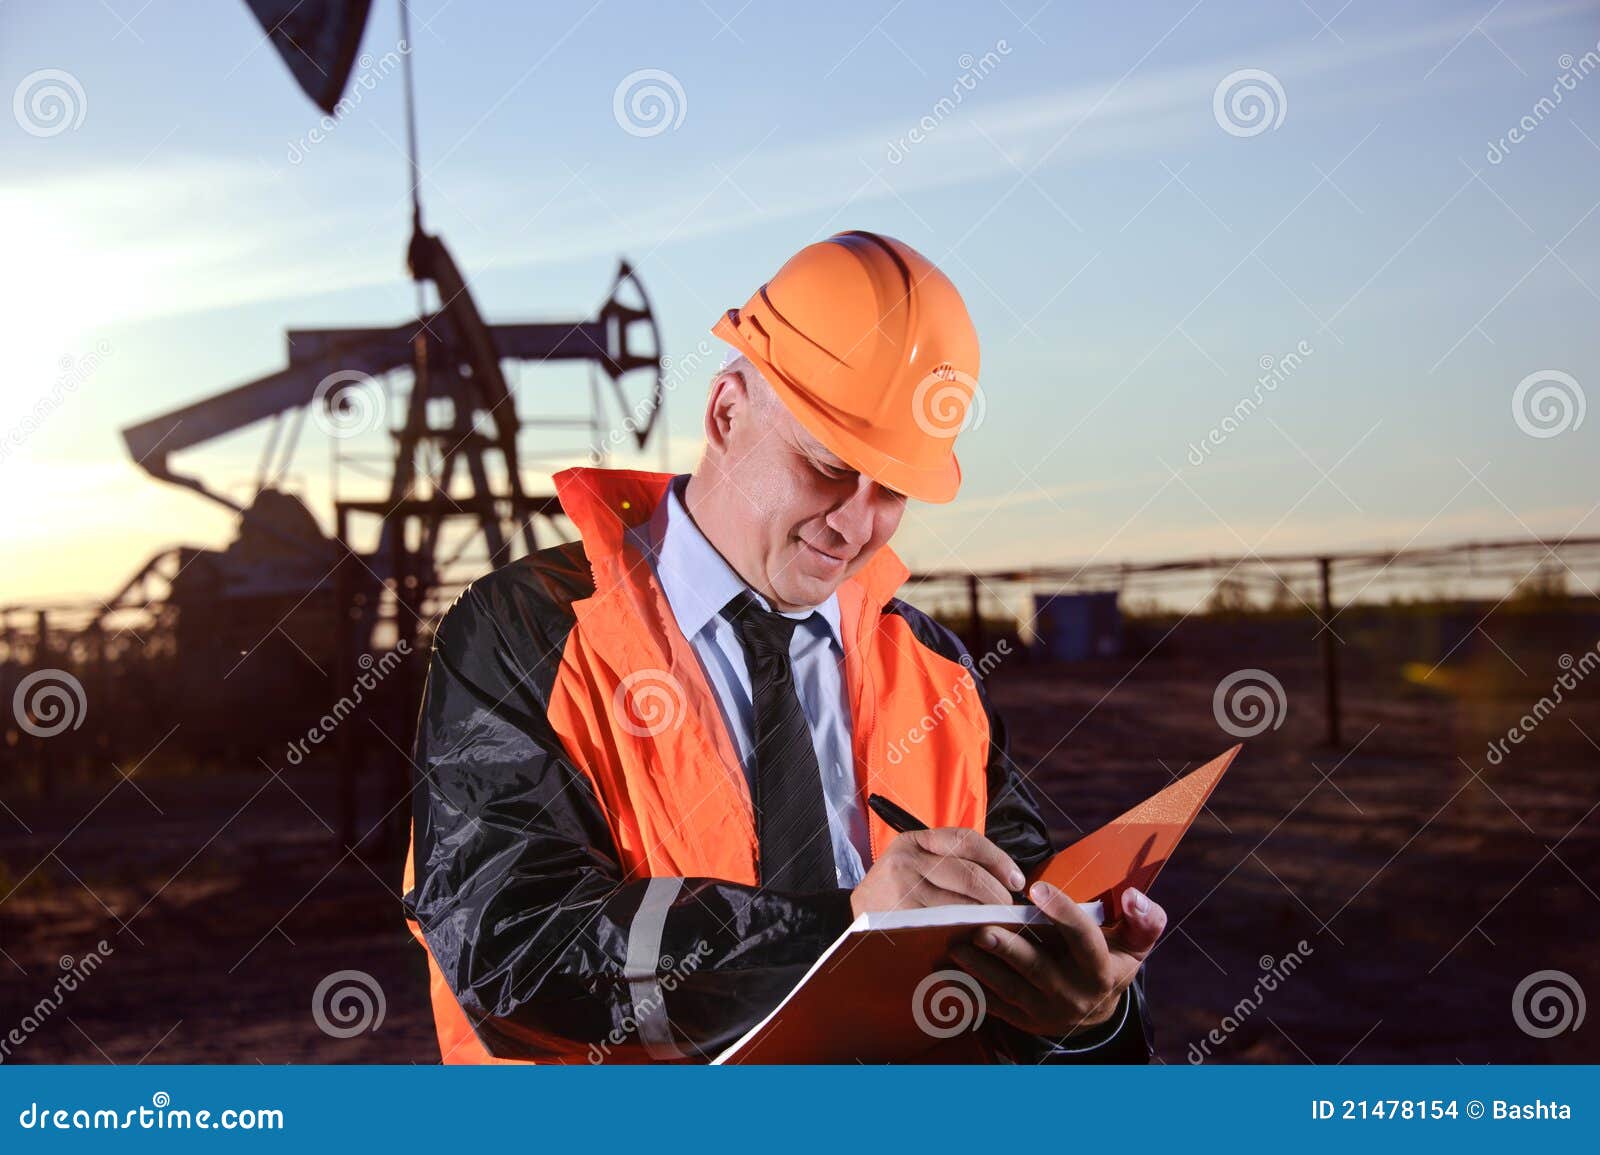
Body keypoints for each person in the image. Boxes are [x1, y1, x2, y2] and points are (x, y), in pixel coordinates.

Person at [401, 229, 1162, 1064]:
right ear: (727, 411)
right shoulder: (529, 632)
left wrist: (1092, 1017)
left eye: (894, 491)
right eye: (827, 465)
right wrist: (841, 935)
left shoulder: (934, 668)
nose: (855, 522)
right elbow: (513, 949)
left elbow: (1021, 941)